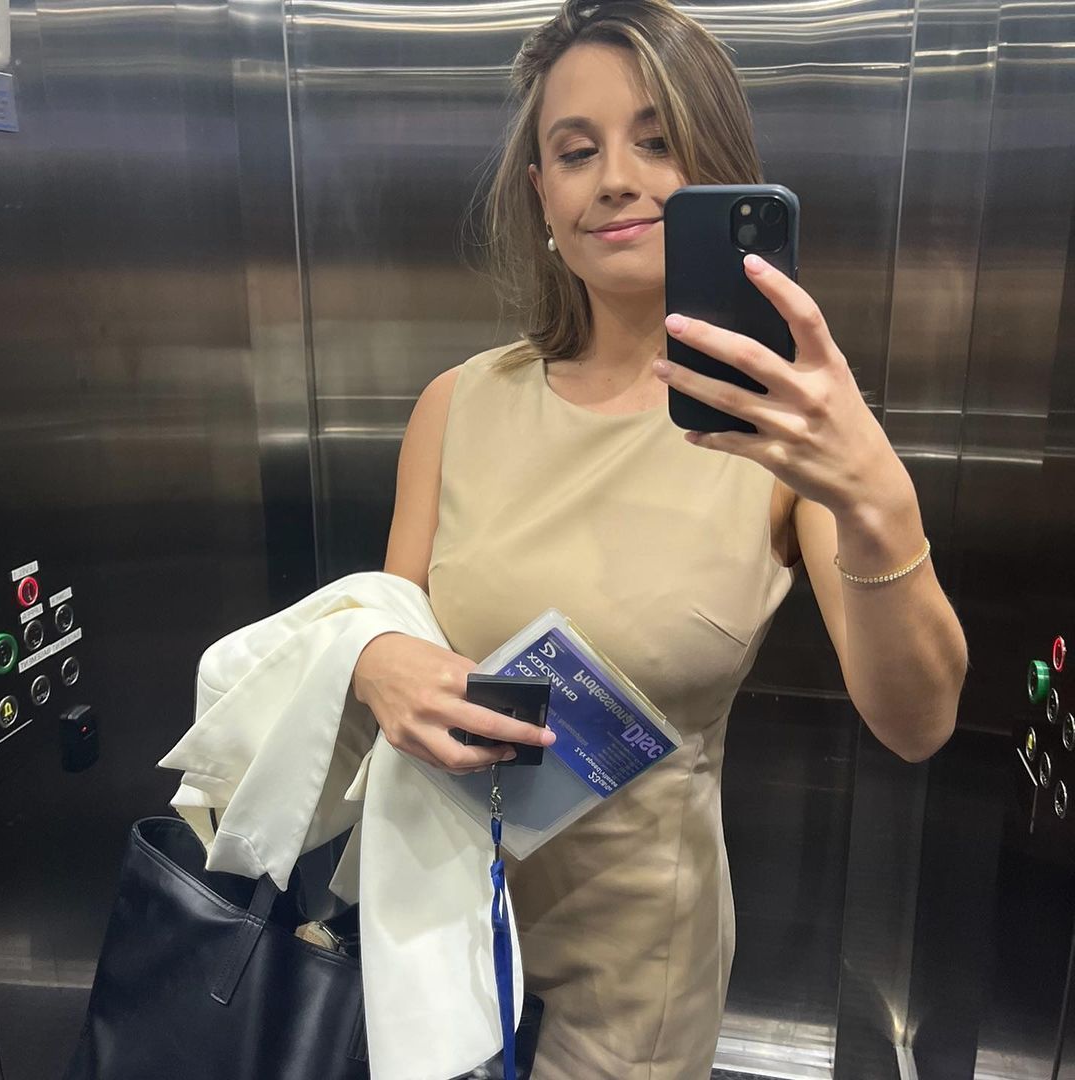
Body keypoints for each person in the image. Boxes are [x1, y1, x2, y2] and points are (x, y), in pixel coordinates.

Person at [351, 0, 970, 1076]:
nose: (615, 179)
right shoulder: (458, 404)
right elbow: (389, 625)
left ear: (718, 171)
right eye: (575, 151)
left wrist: (879, 499)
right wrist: (373, 661)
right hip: (438, 939)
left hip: (633, 984)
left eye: (657, 140)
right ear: (541, 194)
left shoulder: (784, 431)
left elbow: (917, 724)